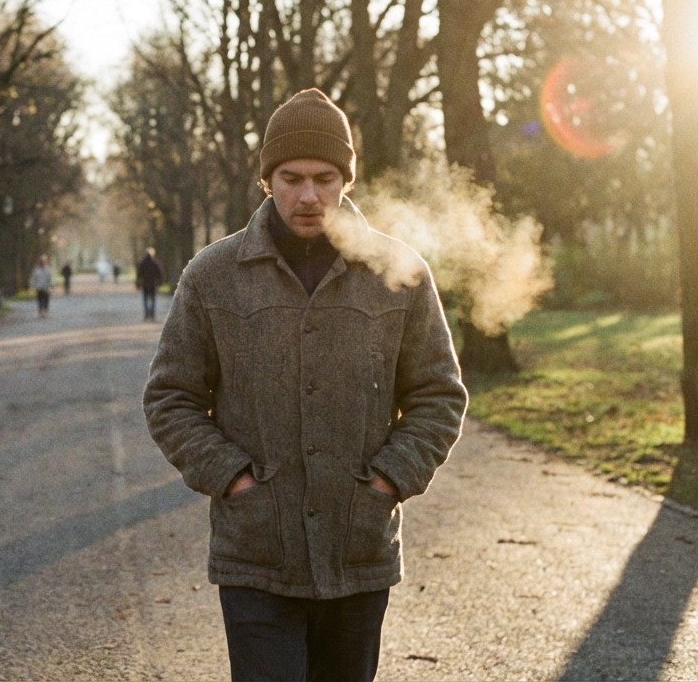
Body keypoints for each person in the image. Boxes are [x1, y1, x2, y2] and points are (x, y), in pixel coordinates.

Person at [142, 88, 467, 682]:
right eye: (291, 177)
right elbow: (171, 397)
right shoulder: (214, 276)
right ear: (267, 180)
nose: (309, 195)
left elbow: (438, 395)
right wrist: (233, 479)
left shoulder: (399, 274)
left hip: (358, 549)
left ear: (347, 179)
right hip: (257, 555)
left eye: (324, 177)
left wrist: (387, 480)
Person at [136, 248, 163, 320]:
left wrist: (137, 283)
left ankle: (146, 314)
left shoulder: (142, 262)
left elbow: (139, 274)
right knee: (153, 299)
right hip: (153, 284)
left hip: (145, 284)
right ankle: (152, 314)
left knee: (145, 299)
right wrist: (160, 283)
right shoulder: (156, 263)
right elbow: (160, 274)